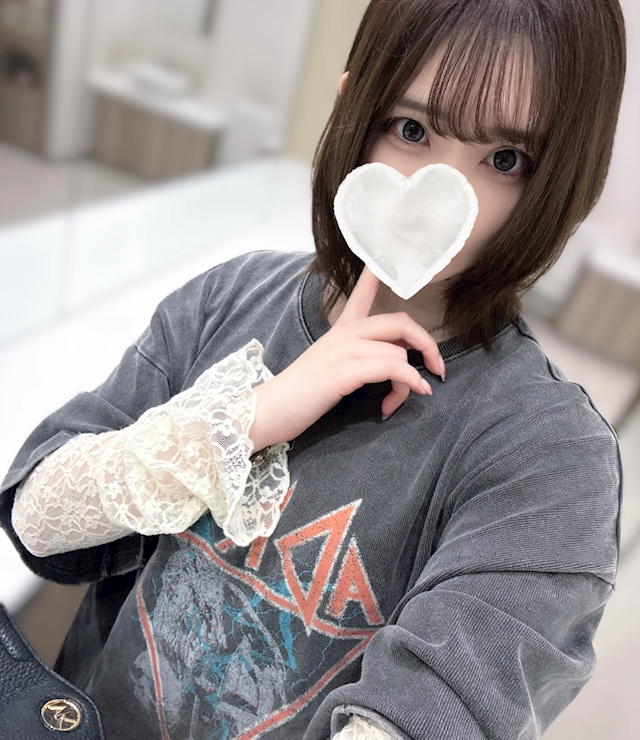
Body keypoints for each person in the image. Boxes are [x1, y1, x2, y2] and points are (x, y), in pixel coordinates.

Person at [0, 0, 627, 737]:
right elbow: (37, 518)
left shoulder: (551, 458)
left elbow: (443, 708)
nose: (442, 200)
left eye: (505, 160)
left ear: (567, 182)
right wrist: (245, 420)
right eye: (412, 130)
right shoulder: (232, 297)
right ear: (353, 110)